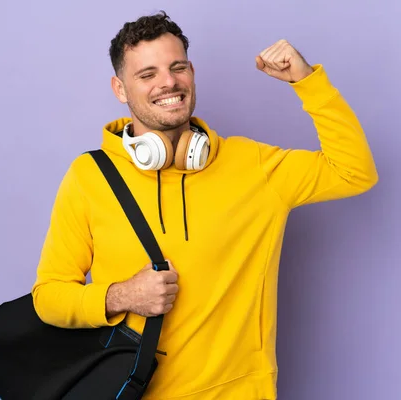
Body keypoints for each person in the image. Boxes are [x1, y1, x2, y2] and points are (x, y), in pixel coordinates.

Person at [31, 10, 378, 400]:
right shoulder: (90, 176)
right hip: (133, 392)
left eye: (177, 67)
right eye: (148, 74)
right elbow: (49, 297)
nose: (168, 82)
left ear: (192, 72)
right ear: (120, 89)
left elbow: (354, 171)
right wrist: (121, 296)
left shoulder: (254, 166)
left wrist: (306, 81)